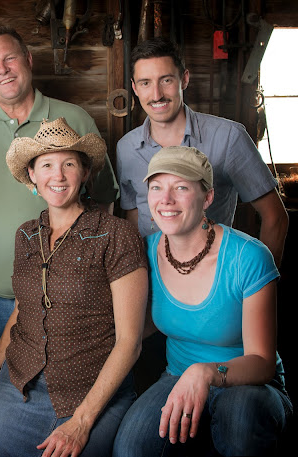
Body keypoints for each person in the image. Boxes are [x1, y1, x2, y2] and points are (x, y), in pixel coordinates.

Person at [0, 27, 120, 374]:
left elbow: (104, 197)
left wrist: (88, 269)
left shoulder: (74, 119)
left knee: (55, 389)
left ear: (28, 60)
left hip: (60, 299)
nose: (2, 70)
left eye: (10, 58)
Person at [0, 118, 148, 457]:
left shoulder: (117, 234)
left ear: (85, 172)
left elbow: (129, 343)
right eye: (46, 165)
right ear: (32, 174)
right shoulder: (26, 235)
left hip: (92, 392)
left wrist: (82, 422)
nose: (57, 176)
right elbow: (23, 311)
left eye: (69, 164)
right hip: (21, 386)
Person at [113, 146, 293, 457]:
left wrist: (205, 372)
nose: (166, 199)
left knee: (240, 424)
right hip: (177, 376)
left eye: (181, 187)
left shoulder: (248, 256)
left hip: (249, 384)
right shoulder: (145, 251)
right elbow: (137, 327)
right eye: (156, 187)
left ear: (207, 197)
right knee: (130, 448)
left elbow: (262, 363)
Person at [116, 37, 287, 267]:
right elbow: (134, 217)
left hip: (214, 275)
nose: (156, 95)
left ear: (184, 79)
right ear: (135, 88)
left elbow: (275, 217)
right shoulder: (126, 147)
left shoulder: (228, 137)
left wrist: (262, 280)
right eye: (145, 83)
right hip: (151, 276)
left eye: (166, 80)